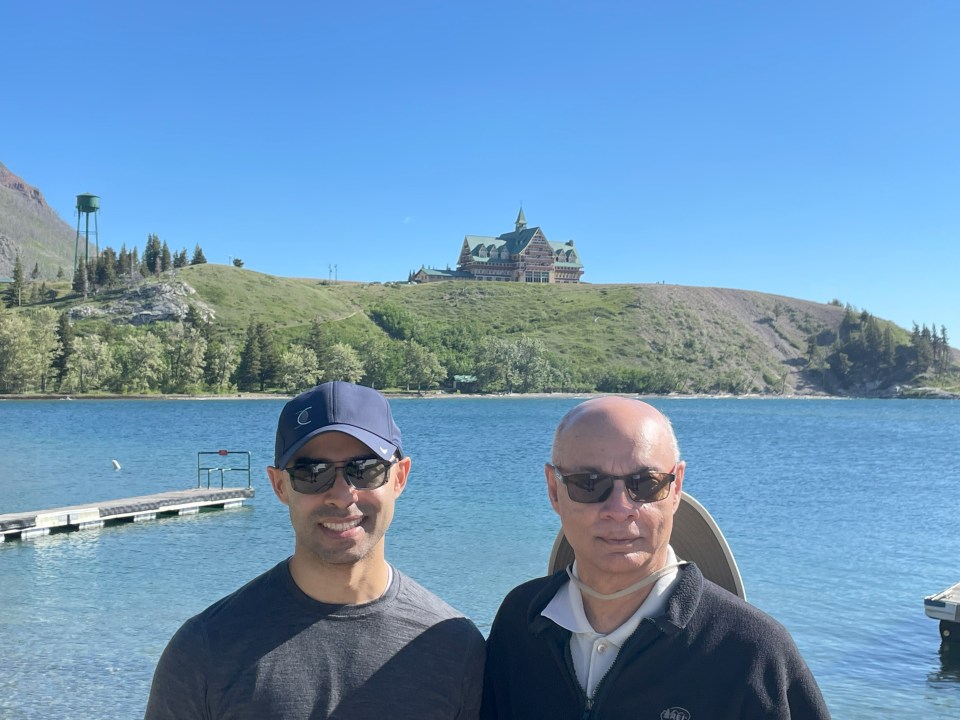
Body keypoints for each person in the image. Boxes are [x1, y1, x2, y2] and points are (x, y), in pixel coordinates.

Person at [146, 381, 485, 719]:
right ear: (279, 485)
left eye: (365, 470)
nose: (341, 495)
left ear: (399, 477)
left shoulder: (454, 647)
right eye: (312, 473)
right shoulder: (205, 651)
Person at [480, 396, 830, 719]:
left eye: (645, 483)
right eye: (589, 483)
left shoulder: (751, 651)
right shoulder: (520, 623)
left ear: (676, 488)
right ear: (554, 490)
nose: (620, 509)